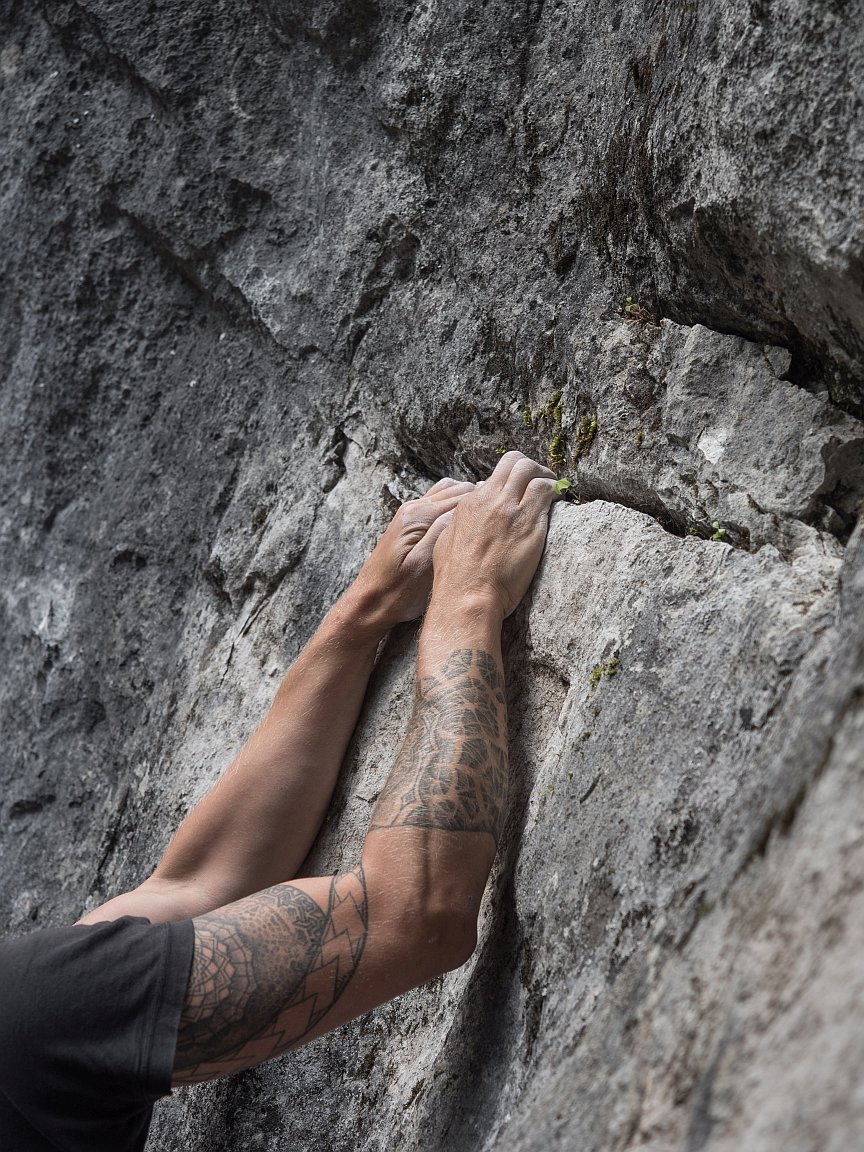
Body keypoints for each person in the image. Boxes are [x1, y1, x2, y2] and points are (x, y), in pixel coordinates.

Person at [0, 451, 558, 1151]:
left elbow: (205, 884)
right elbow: (413, 916)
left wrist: (364, 615)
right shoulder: (33, 1019)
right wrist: (468, 598)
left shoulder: (38, 1011)